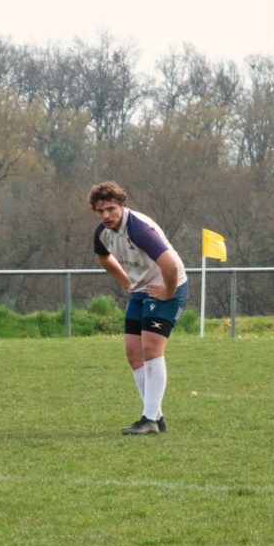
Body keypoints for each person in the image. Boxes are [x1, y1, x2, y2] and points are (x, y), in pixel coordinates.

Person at [88, 181, 186, 435]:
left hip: (167, 286)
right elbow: (103, 257)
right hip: (141, 291)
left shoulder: (139, 230)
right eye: (100, 211)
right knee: (133, 354)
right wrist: (125, 281)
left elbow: (171, 265)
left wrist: (168, 292)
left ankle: (149, 419)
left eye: (111, 209)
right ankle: (155, 417)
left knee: (151, 349)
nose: (106, 215)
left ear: (122, 205)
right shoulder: (103, 233)